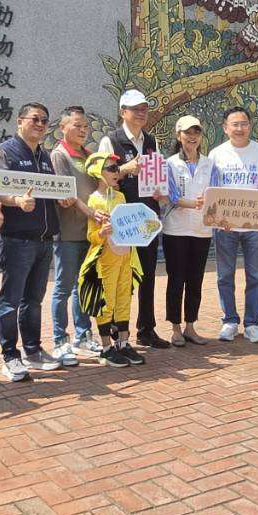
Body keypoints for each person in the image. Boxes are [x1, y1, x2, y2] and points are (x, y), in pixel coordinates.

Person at [0, 102, 64, 381]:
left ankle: (33, 350)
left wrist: (64, 198)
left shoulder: (45, 156)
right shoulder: (4, 152)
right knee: (11, 300)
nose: (41, 125)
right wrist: (16, 201)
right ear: (20, 121)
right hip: (18, 239)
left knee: (34, 300)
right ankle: (10, 356)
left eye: (45, 120)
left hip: (44, 240)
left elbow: (53, 190)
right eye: (35, 119)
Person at [97, 89, 171, 349]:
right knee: (122, 277)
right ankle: (118, 332)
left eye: (144, 108)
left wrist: (160, 191)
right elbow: (101, 178)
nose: (141, 113)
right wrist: (125, 169)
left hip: (147, 218)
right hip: (123, 221)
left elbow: (155, 176)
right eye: (135, 108)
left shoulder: (151, 141)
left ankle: (146, 328)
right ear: (122, 112)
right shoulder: (111, 141)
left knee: (148, 274)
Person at [207, 107, 258, 344]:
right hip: (226, 227)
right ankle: (230, 321)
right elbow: (211, 190)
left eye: (244, 123)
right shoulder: (216, 155)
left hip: (254, 226)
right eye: (234, 124)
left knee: (256, 275)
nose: (239, 128)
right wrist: (217, 219)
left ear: (250, 126)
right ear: (225, 128)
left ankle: (253, 323)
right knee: (225, 275)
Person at [77, 153, 142, 366]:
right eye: (111, 169)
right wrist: (102, 233)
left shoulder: (121, 197)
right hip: (105, 258)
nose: (117, 172)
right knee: (106, 301)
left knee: (124, 298)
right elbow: (91, 236)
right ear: (98, 173)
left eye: (117, 168)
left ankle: (123, 343)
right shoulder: (94, 199)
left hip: (126, 256)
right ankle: (106, 348)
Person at [48, 106, 101, 360]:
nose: (82, 130)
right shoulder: (59, 155)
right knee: (63, 286)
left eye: (85, 126)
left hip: (90, 233)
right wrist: (91, 211)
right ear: (63, 127)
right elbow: (66, 194)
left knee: (83, 286)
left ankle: (83, 335)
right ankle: (60, 338)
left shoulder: (89, 154)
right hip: (68, 233)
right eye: (76, 125)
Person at [163, 115, 214, 346]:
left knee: (196, 280)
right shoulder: (169, 164)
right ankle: (175, 328)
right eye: (187, 133)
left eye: (196, 133)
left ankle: (190, 326)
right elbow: (171, 196)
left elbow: (218, 193)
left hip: (202, 231)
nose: (192, 137)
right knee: (176, 280)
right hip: (176, 231)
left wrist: (213, 205)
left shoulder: (210, 164)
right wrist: (196, 203)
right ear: (178, 136)